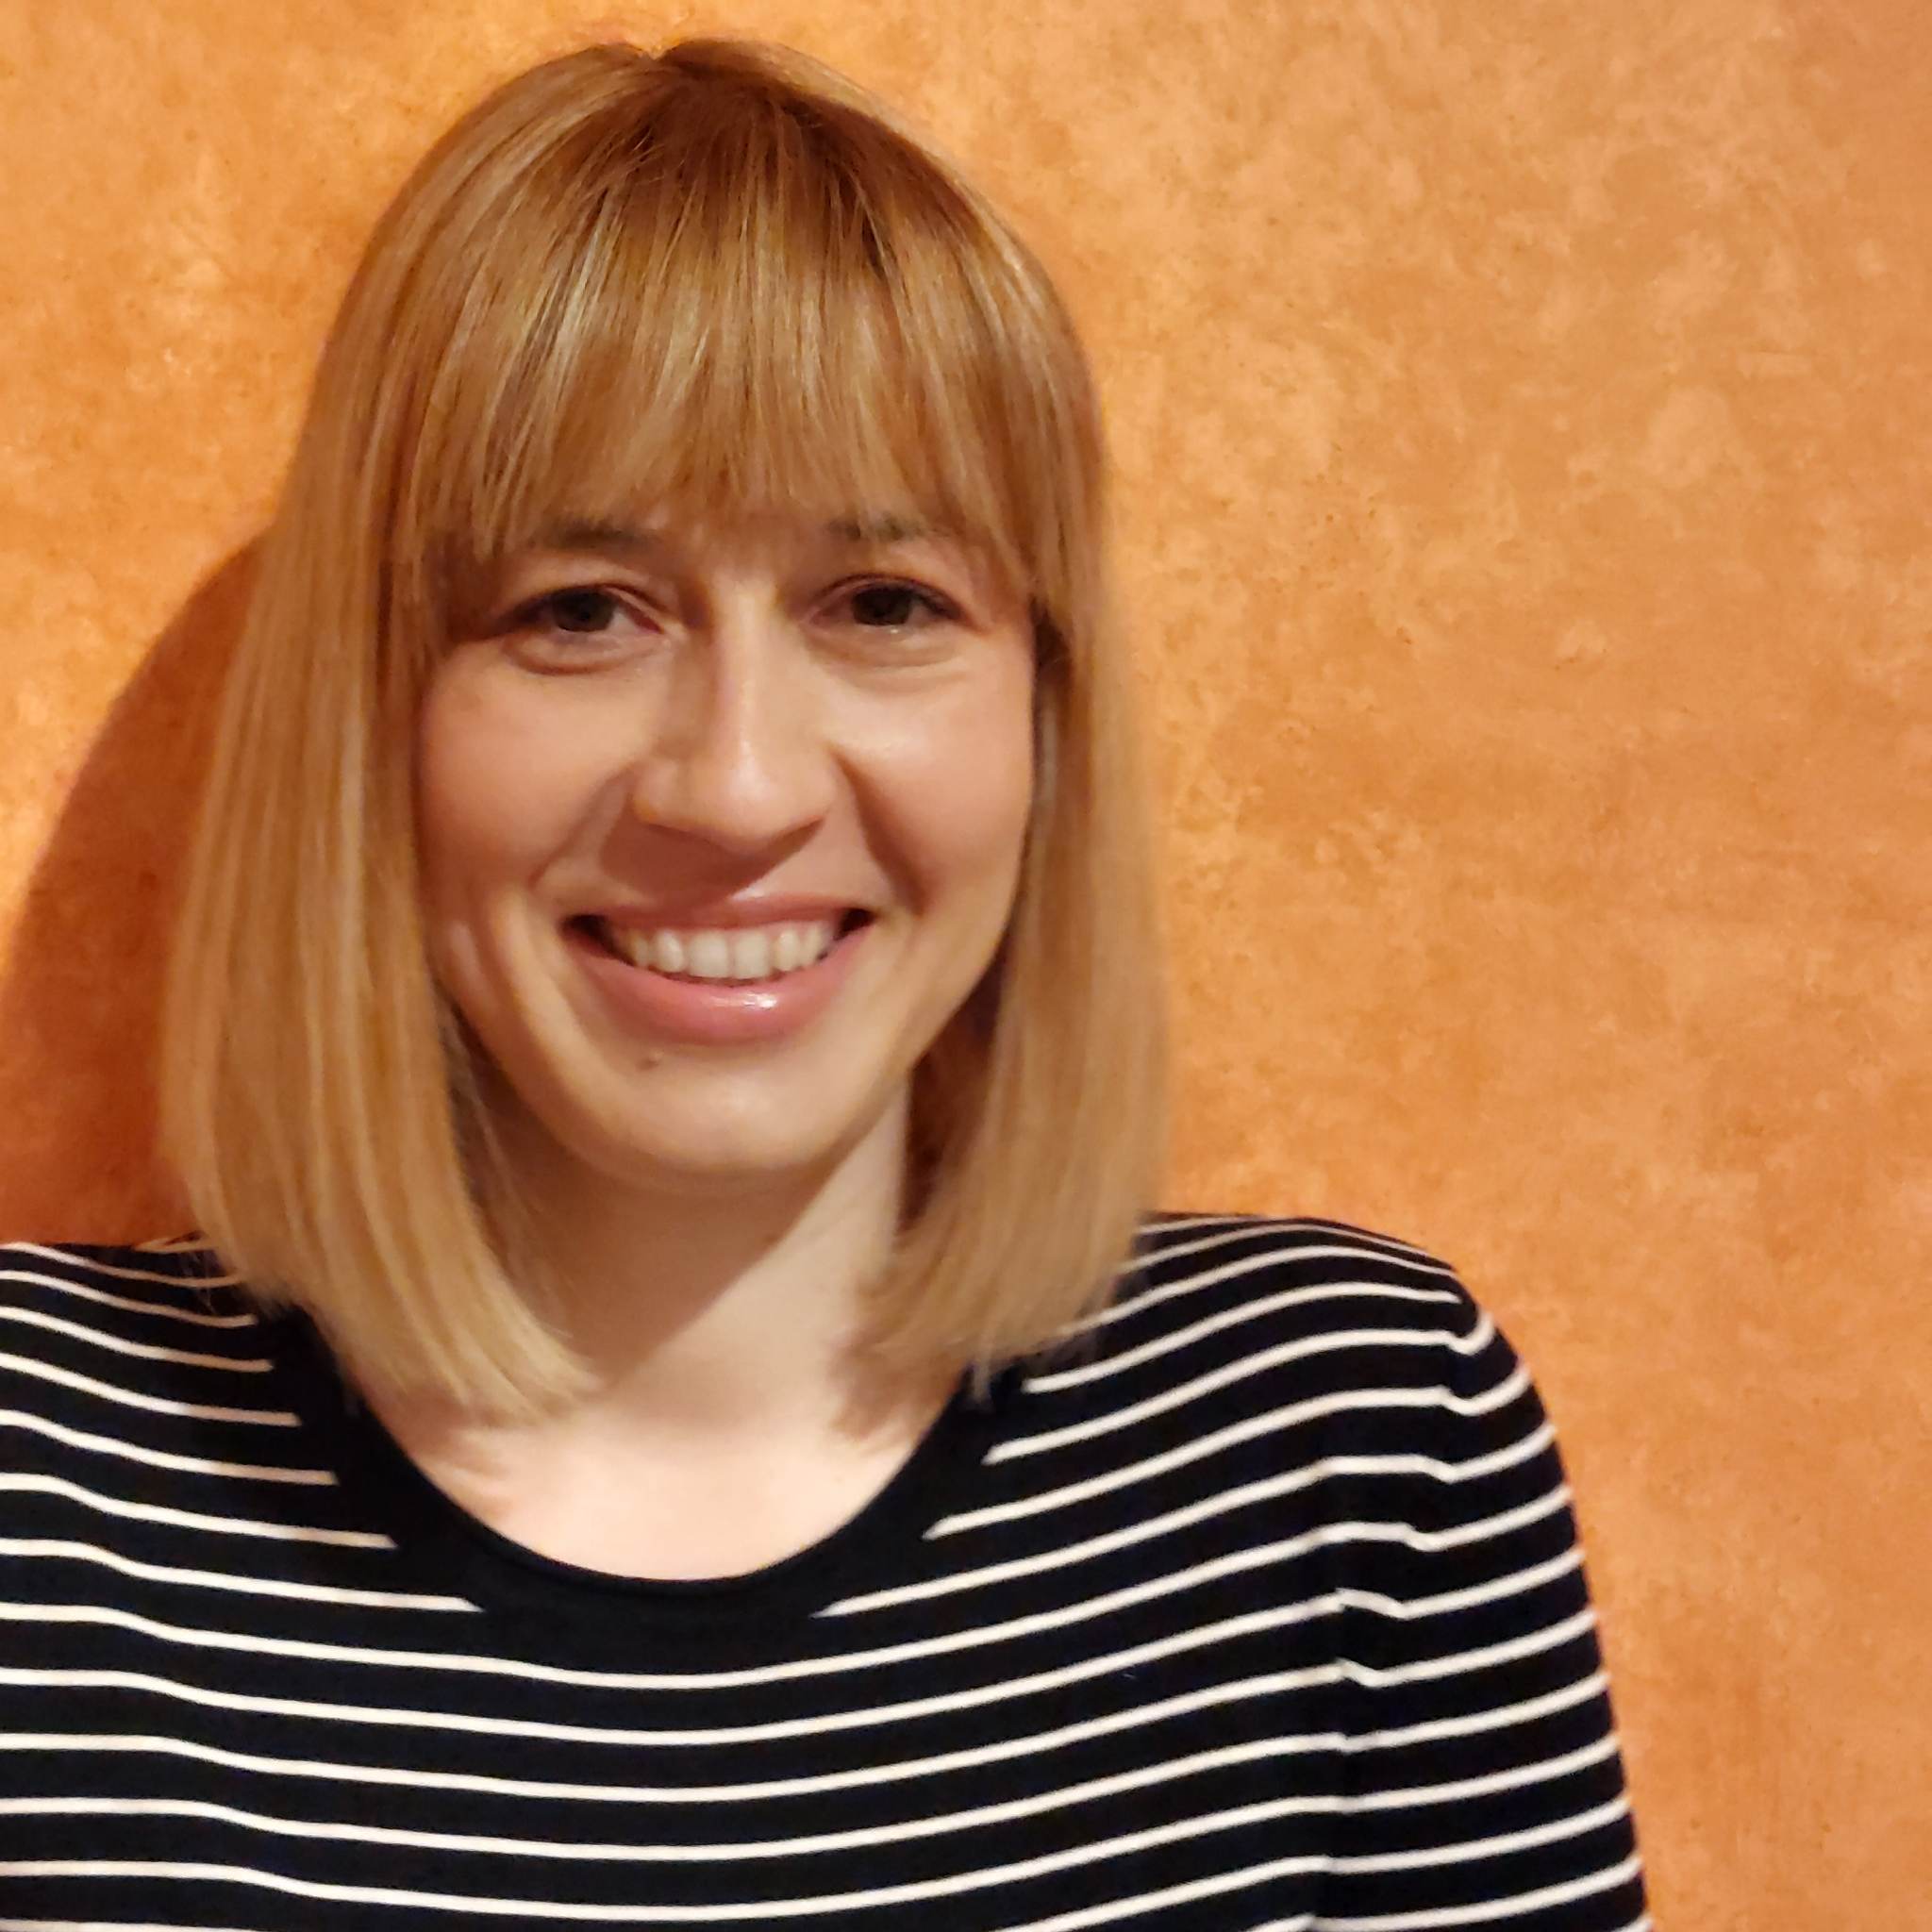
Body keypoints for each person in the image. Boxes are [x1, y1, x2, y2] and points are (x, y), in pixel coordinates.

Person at [0, 37, 1649, 1930]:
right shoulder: (41, 1487)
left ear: (1044, 713)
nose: (736, 787)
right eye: (578, 610)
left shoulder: (1351, 1456)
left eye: (883, 604)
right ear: (374, 716)